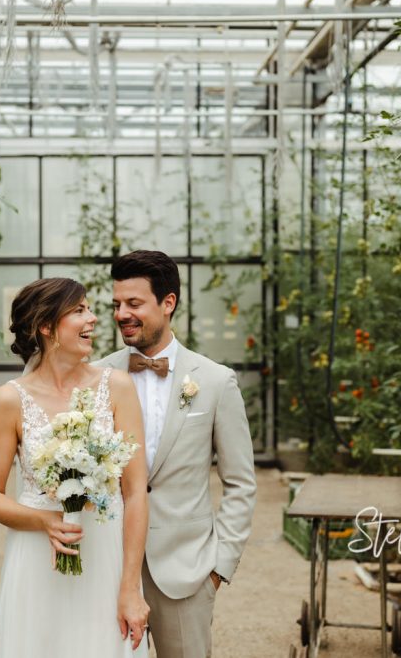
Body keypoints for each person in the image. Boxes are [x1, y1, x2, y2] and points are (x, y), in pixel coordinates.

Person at [95, 250, 257, 658]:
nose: (121, 314)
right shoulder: (96, 376)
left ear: (168, 303)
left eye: (133, 303)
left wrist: (218, 568)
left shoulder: (217, 381)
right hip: (107, 565)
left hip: (186, 573)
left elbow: (240, 483)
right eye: (116, 304)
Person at [0, 277, 150, 658]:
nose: (93, 320)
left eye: (89, 309)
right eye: (79, 311)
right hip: (37, 556)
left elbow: (135, 491)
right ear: (46, 326)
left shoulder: (118, 387)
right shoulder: (9, 400)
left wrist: (130, 587)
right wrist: (45, 521)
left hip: (105, 556)